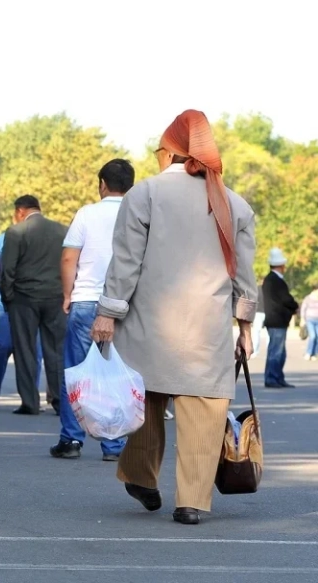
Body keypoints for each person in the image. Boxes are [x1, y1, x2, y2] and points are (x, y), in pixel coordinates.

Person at [91, 109, 257, 525]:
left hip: (151, 321)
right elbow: (245, 274)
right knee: (205, 411)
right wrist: (246, 327)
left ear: (170, 152)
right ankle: (192, 502)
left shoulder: (144, 194)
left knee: (146, 399)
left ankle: (141, 477)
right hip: (208, 328)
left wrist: (109, 313)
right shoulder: (235, 204)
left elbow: (126, 262)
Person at [52, 159, 134, 462]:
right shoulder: (138, 214)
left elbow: (68, 258)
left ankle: (71, 439)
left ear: (102, 183)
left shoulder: (86, 214)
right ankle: (113, 445)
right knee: (116, 373)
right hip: (125, 304)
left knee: (77, 371)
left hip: (87, 301)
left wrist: (67, 293)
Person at [0, 195, 68, 415]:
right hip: (55, 298)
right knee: (56, 350)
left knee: (26, 350)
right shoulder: (62, 231)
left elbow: (7, 269)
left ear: (20, 211)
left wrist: (7, 297)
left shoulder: (16, 232)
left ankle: (30, 402)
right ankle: (59, 401)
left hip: (24, 299)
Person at [0, 230, 42, 404]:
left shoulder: (38, 240)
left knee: (33, 350)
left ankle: (30, 396)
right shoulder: (4, 238)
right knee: (3, 346)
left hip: (30, 302)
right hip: (6, 302)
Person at [262, 247, 297, 387]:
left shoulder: (270, 279)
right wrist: (295, 306)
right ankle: (272, 378)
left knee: (279, 351)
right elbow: (285, 299)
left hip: (275, 320)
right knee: (276, 352)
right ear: (281, 265)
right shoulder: (276, 280)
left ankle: (277, 377)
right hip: (277, 320)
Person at [300, 288, 318, 361]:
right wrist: (302, 319)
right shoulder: (308, 298)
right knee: (313, 336)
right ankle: (308, 352)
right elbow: (303, 309)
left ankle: (314, 353)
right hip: (310, 319)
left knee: (317, 336)